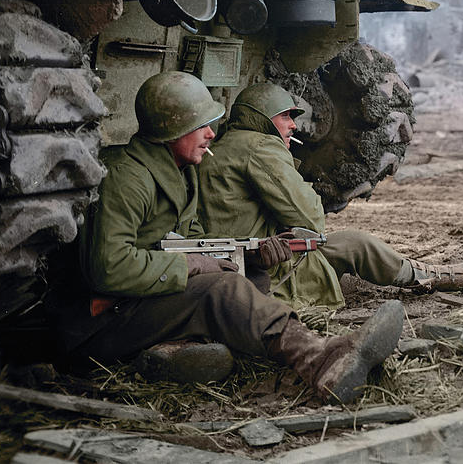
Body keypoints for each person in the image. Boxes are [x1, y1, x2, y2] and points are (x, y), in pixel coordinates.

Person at [57, 71, 403, 401]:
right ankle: (319, 361)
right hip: (99, 322)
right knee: (222, 289)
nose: (211, 133)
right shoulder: (126, 177)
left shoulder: (180, 174)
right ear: (172, 129)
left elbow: (189, 239)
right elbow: (109, 267)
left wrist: (246, 255)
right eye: (201, 125)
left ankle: (181, 356)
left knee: (246, 276)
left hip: (137, 301)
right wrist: (190, 266)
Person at [197, 82, 463, 310]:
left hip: (242, 263)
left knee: (352, 244)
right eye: (285, 116)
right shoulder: (261, 147)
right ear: (261, 118)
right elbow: (311, 220)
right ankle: (432, 277)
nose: (293, 125)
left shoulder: (228, 145)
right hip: (266, 270)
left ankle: (424, 275)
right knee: (357, 246)